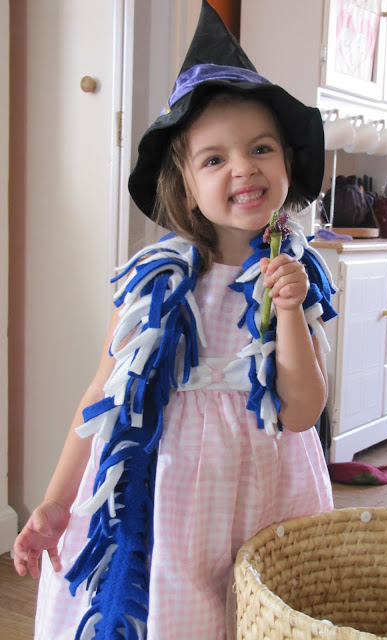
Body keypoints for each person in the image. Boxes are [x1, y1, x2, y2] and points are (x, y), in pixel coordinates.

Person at [13, 2, 336, 639]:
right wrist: (54, 501)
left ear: (286, 163)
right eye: (214, 159)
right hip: (168, 494)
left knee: (261, 613)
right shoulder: (150, 282)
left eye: (261, 148)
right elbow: (100, 396)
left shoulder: (297, 275)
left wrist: (289, 311)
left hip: (267, 489)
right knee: (175, 616)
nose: (243, 167)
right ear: (185, 184)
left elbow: (302, 412)